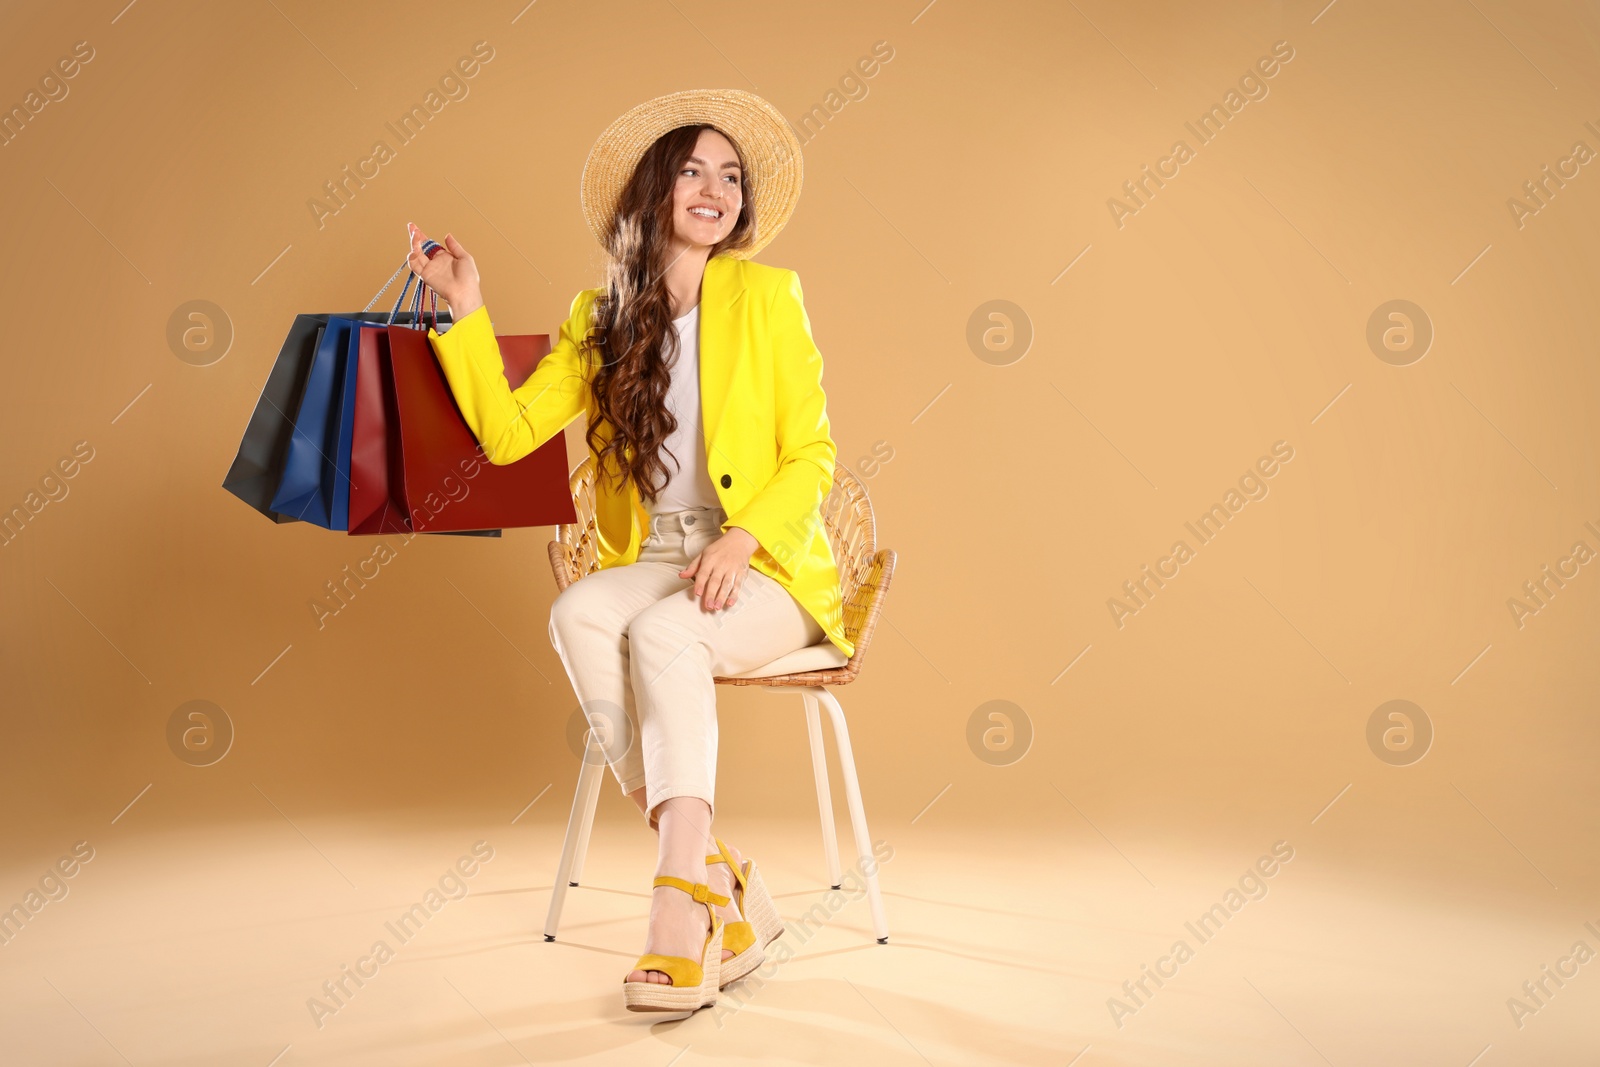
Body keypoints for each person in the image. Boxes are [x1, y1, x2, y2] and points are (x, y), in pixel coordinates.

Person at [404, 89, 851, 1012]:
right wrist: (465, 307)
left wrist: (743, 535)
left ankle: (676, 909)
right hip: (660, 556)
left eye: (730, 176)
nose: (714, 188)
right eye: (692, 168)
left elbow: (813, 453)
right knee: (576, 611)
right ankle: (715, 871)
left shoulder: (770, 296)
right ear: (653, 192)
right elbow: (509, 433)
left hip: (765, 564)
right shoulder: (602, 315)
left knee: (662, 640)